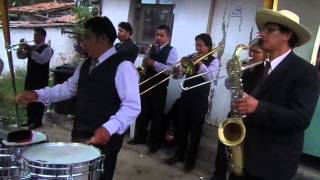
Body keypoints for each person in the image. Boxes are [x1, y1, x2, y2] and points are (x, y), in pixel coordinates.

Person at [16, 17, 141, 180]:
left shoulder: (124, 67)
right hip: (80, 132)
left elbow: (132, 106)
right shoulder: (84, 65)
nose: (83, 42)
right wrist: (38, 94)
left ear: (102, 38)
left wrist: (109, 128)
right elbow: (67, 89)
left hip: (105, 141)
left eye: (87, 37)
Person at [230, 9, 320, 180]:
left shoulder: (306, 72)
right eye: (263, 29)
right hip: (244, 156)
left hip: (273, 165)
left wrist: (258, 107)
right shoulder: (254, 69)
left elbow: (301, 118)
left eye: (269, 29)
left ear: (287, 34)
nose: (262, 33)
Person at [209, 39, 268, 180]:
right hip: (235, 114)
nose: (252, 54)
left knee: (242, 155)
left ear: (266, 54)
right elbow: (228, 85)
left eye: (257, 52)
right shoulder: (245, 66)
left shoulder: (267, 72)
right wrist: (233, 75)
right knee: (223, 146)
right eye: (251, 51)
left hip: (251, 117)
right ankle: (218, 175)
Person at [166, 33, 220, 172]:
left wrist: (200, 63)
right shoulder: (190, 57)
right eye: (196, 45)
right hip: (186, 96)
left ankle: (190, 162)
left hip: (200, 100)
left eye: (201, 45)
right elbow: (181, 75)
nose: (198, 48)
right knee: (181, 128)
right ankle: (179, 155)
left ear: (208, 47)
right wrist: (177, 72)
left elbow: (210, 77)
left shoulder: (214, 61)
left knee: (195, 132)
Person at [128, 25, 178, 153]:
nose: (158, 38)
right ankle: (140, 137)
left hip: (159, 88)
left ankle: (154, 143)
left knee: (157, 116)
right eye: (157, 35)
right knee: (143, 112)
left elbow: (170, 70)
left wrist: (154, 63)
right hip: (146, 84)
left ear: (168, 37)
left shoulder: (172, 51)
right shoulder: (151, 48)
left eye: (162, 35)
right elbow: (144, 64)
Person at [17, 27, 53, 129]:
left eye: (37, 35)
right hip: (30, 77)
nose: (34, 37)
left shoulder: (47, 49)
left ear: (43, 36)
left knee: (38, 100)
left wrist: (31, 50)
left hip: (40, 79)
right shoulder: (32, 47)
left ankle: (37, 122)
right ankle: (30, 120)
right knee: (29, 99)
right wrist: (20, 48)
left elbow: (42, 60)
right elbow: (21, 56)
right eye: (34, 35)